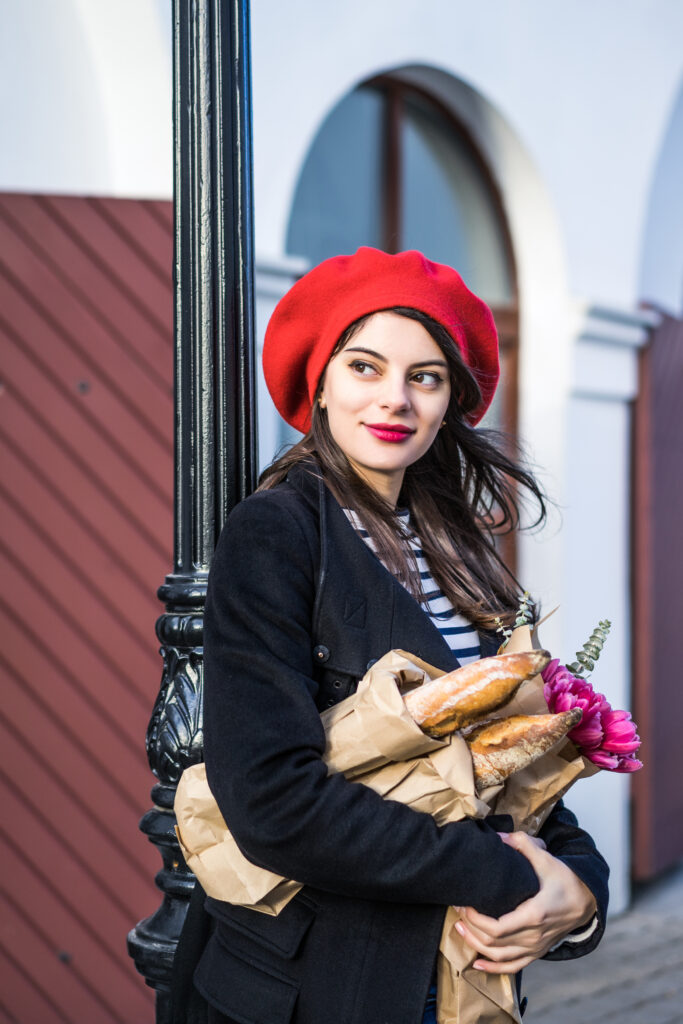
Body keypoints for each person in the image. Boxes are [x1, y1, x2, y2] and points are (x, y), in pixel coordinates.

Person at [180, 248, 609, 1024]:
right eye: (365, 368)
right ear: (320, 382)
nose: (395, 400)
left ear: (449, 401)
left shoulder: (461, 552)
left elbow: (505, 759)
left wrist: (579, 889)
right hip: (311, 987)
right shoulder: (278, 533)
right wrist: (510, 878)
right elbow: (272, 800)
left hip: (446, 981)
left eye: (424, 377)